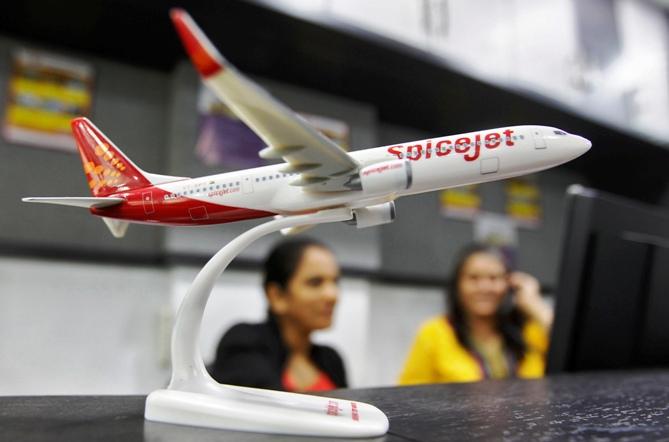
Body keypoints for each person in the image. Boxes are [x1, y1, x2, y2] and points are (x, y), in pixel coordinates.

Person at [399, 243, 553, 384]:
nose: (485, 287)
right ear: (457, 285)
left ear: (509, 284)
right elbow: (408, 397)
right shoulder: (434, 333)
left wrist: (536, 305)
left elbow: (571, 356)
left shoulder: (529, 331)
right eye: (473, 278)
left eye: (494, 278)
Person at [209, 237, 347, 392]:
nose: (332, 295)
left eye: (335, 282)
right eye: (315, 282)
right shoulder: (244, 342)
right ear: (277, 296)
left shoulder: (332, 359)